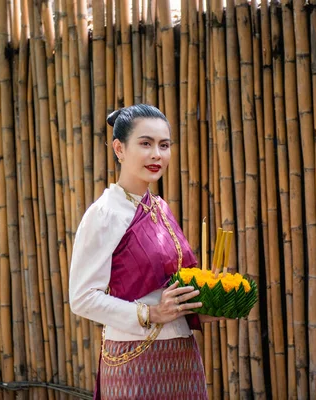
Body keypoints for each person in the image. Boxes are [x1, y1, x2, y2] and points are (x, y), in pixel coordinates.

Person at [69, 104, 218, 399]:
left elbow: (173, 287)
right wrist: (150, 312)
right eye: (145, 143)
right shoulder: (105, 213)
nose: (156, 155)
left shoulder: (160, 208)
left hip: (182, 356)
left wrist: (211, 307)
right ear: (119, 148)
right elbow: (82, 298)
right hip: (134, 359)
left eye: (164, 145)